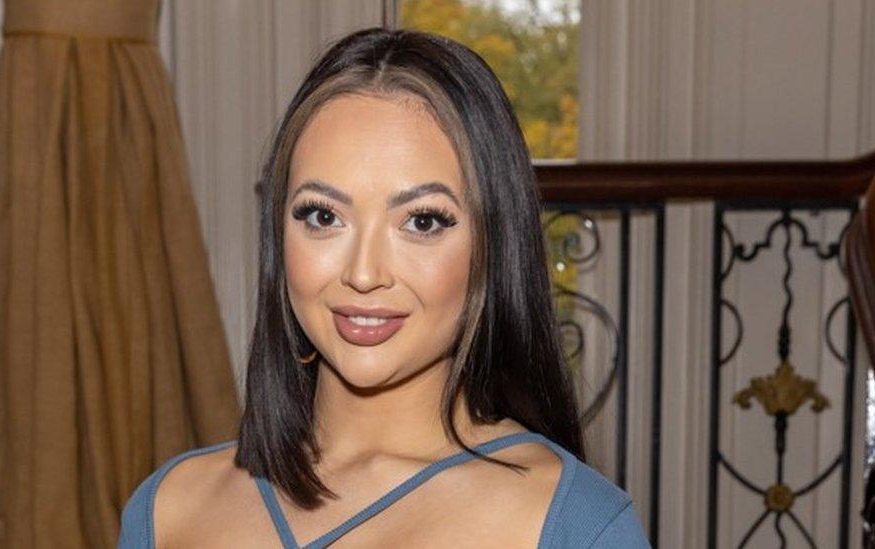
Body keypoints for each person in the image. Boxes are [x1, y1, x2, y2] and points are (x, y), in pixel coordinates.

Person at [118, 27, 650, 548]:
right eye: (323, 215)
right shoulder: (170, 509)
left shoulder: (575, 527)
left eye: (421, 222)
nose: (364, 273)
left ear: (493, 243)